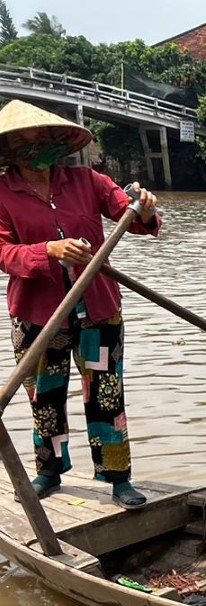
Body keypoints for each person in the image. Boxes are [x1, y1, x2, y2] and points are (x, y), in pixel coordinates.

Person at [0, 100, 161, 509]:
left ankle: (117, 477)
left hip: (99, 309)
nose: (36, 148)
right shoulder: (2, 194)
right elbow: (4, 254)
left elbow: (134, 217)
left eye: (42, 139)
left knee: (107, 395)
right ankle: (49, 471)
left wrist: (142, 207)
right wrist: (47, 250)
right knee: (45, 395)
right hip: (39, 315)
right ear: (9, 151)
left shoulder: (87, 180)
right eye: (25, 142)